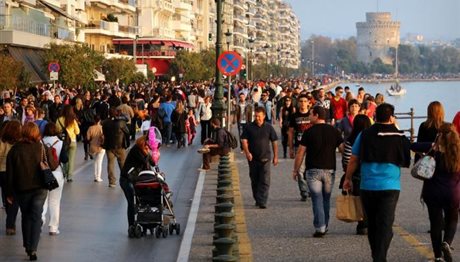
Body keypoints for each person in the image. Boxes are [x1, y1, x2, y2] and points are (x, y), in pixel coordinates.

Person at [343, 103, 411, 262]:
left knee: (372, 224)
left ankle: (377, 255)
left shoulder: (365, 134)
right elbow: (406, 155)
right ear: (391, 117)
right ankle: (380, 257)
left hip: (368, 185)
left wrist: (348, 178)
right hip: (390, 186)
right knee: (386, 224)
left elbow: (353, 159)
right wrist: (395, 127)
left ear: (375, 116)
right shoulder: (398, 135)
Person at [411, 123, 460, 262]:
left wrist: (431, 145)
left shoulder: (433, 148)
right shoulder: (458, 152)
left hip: (432, 192)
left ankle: (438, 256)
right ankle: (447, 243)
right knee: (452, 219)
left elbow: (413, 146)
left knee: (435, 223)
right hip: (452, 193)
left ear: (439, 135)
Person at [292, 106, 343, 237]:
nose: (309, 117)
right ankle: (324, 225)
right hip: (329, 170)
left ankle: (320, 227)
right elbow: (343, 149)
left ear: (316, 115)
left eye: (310, 114)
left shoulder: (308, 132)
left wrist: (295, 170)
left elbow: (300, 153)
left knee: (316, 199)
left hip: (313, 170)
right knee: (326, 199)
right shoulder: (334, 131)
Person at [5, 122, 48, 261]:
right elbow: (52, 164)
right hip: (40, 187)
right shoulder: (41, 147)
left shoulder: (14, 150)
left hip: (22, 189)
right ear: (36, 133)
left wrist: (9, 193)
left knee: (25, 215)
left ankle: (27, 245)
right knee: (36, 216)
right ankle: (33, 248)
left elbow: (10, 174)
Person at [339, 114, 372, 235]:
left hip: (356, 174)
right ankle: (369, 223)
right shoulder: (372, 138)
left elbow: (348, 160)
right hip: (369, 172)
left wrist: (348, 176)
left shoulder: (351, 140)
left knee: (359, 200)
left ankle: (362, 224)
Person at [241, 107, 278, 209]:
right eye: (256, 116)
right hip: (253, 159)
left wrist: (276, 156)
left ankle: (262, 201)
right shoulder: (249, 127)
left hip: (266, 158)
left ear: (264, 116)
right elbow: (244, 140)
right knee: (255, 180)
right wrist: (247, 153)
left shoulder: (269, 127)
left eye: (259, 116)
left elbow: (274, 141)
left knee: (265, 180)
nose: (257, 118)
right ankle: (257, 198)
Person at [119, 135, 155, 236]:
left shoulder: (144, 151)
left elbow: (152, 163)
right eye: (148, 144)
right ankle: (131, 226)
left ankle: (145, 224)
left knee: (142, 201)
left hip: (136, 180)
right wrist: (147, 153)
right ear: (144, 143)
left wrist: (150, 153)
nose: (149, 147)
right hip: (126, 180)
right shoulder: (136, 150)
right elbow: (144, 161)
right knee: (132, 202)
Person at [288, 94, 312, 201]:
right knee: (300, 170)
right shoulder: (294, 116)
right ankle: (304, 191)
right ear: (298, 103)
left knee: (311, 169)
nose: (303, 103)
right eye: (301, 101)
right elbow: (291, 132)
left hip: (312, 146)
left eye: (305, 101)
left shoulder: (312, 114)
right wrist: (291, 148)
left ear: (308, 103)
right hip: (299, 146)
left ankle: (311, 189)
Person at [41, 123, 64, 236]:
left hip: (44, 173)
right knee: (55, 201)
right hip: (57, 173)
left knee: (43, 199)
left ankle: (41, 220)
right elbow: (65, 159)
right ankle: (53, 228)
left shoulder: (40, 142)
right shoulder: (60, 142)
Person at [0, 120, 21, 235]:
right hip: (15, 173)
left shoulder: (2, 140)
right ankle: (10, 224)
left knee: (6, 195)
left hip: (2, 171)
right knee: (14, 198)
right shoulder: (19, 142)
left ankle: (10, 222)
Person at [102, 108, 130, 187]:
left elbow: (104, 133)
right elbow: (127, 132)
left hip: (109, 146)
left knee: (110, 164)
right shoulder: (121, 122)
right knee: (122, 164)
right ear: (116, 113)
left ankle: (111, 181)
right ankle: (124, 180)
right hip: (120, 145)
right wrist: (127, 143)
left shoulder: (105, 123)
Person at [56, 105, 80, 182]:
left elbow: (56, 130)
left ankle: (64, 172)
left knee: (64, 158)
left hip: (62, 142)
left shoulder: (59, 120)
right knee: (71, 159)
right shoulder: (73, 120)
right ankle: (69, 176)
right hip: (72, 141)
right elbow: (77, 132)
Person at [87, 115, 105, 182]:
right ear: (100, 120)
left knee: (95, 161)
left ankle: (95, 176)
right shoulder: (102, 128)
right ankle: (98, 177)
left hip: (93, 146)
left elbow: (88, 138)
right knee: (99, 162)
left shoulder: (90, 128)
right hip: (101, 147)